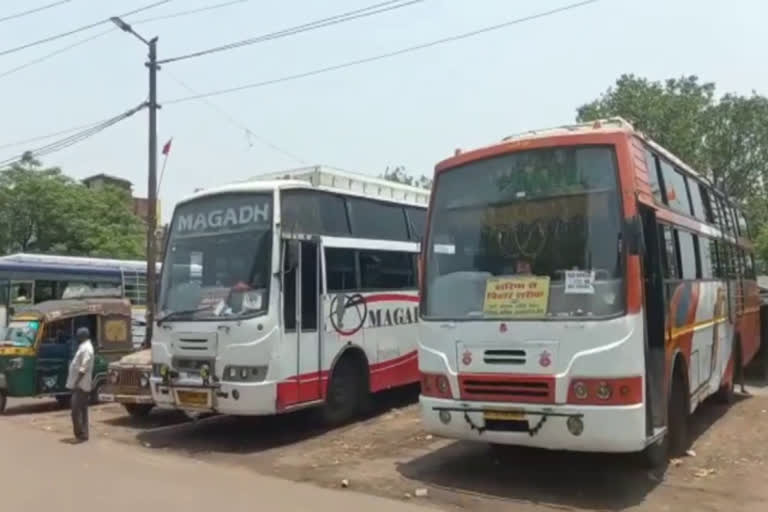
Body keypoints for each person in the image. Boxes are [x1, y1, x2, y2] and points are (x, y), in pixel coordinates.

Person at [66, 327, 94, 442]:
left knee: (75, 411)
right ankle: (84, 435)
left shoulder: (87, 349)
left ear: (82, 336)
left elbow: (84, 367)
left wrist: (76, 382)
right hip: (79, 384)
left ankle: (80, 435)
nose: (77, 338)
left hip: (81, 385)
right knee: (82, 411)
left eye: (78, 336)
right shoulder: (84, 347)